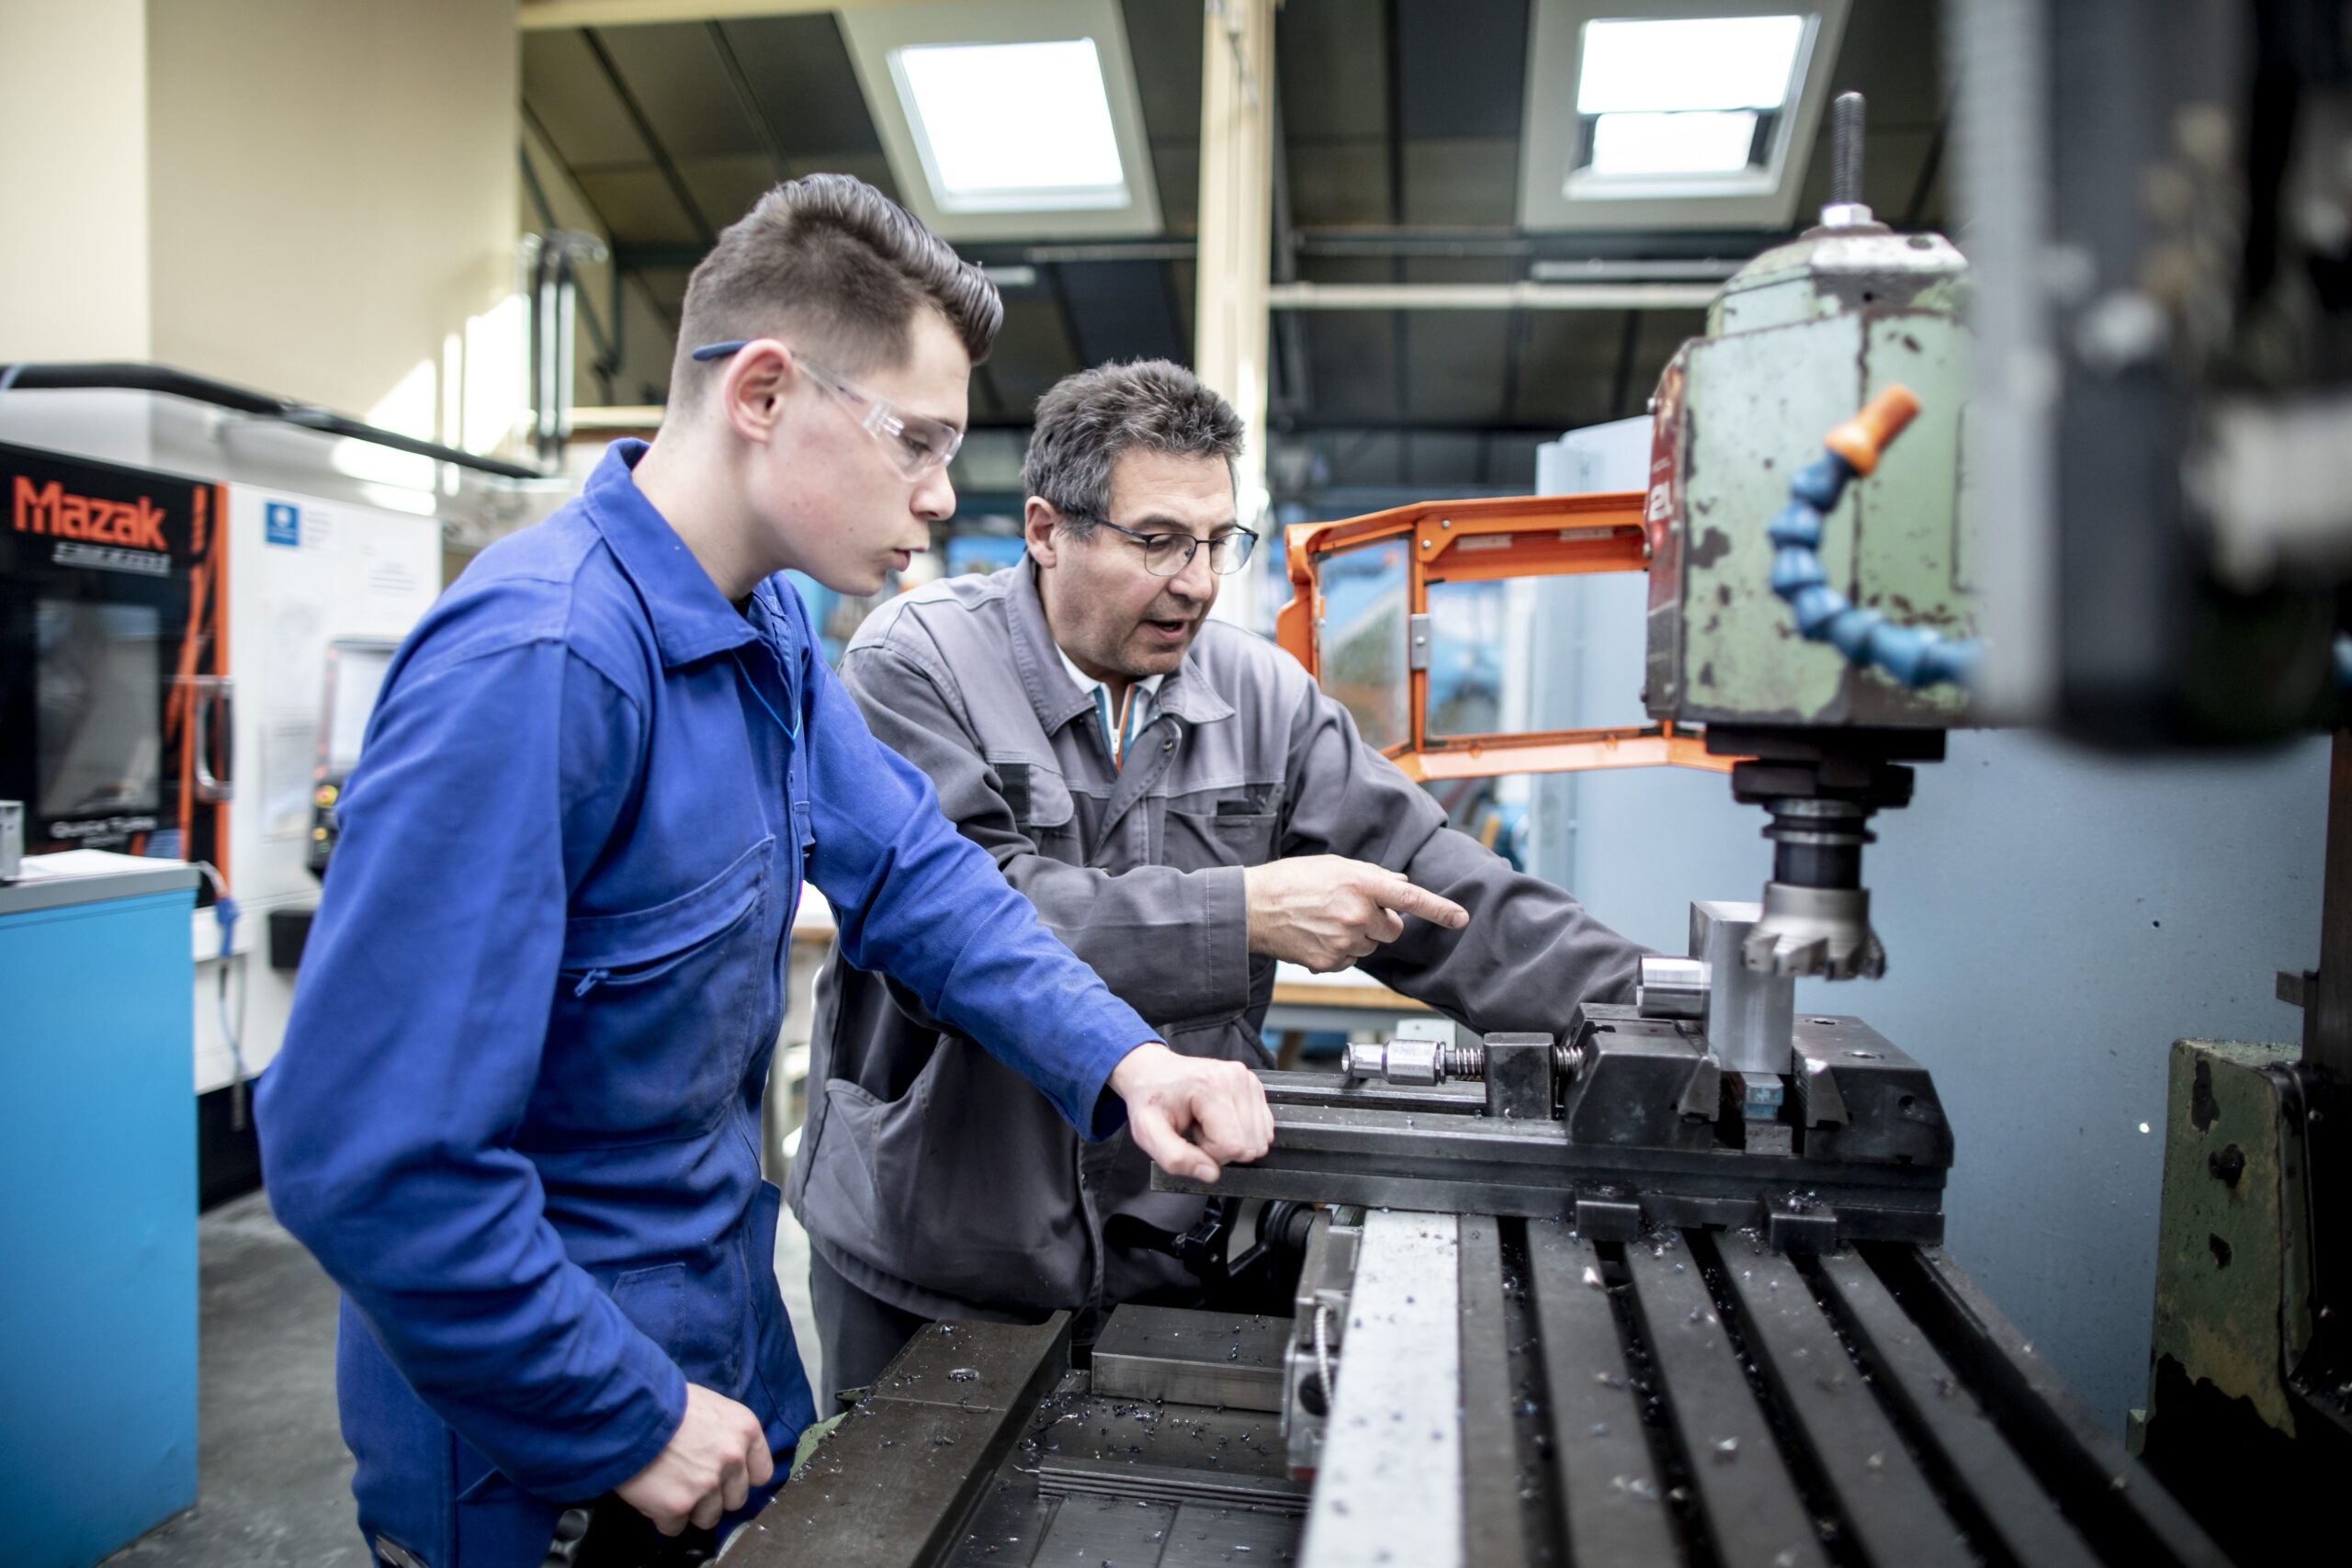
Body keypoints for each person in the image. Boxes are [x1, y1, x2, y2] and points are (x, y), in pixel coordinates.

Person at [254, 179, 1272, 1568]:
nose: (938, 494)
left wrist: (1127, 1061)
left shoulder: (771, 631)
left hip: (721, 1347)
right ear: (766, 392)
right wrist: (615, 1411)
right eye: (914, 440)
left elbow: (920, 877)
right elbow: (359, 1152)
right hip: (536, 1442)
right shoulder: (543, 666)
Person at [789, 358, 1647, 1394]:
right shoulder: (915, 663)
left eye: (1215, 543)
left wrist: (1655, 1013)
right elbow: (968, 918)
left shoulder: (1260, 693)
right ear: (1045, 528)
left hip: (1160, 1235)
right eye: (1156, 541)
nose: (1195, 580)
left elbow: (1436, 880)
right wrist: (1241, 913)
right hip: (932, 1247)